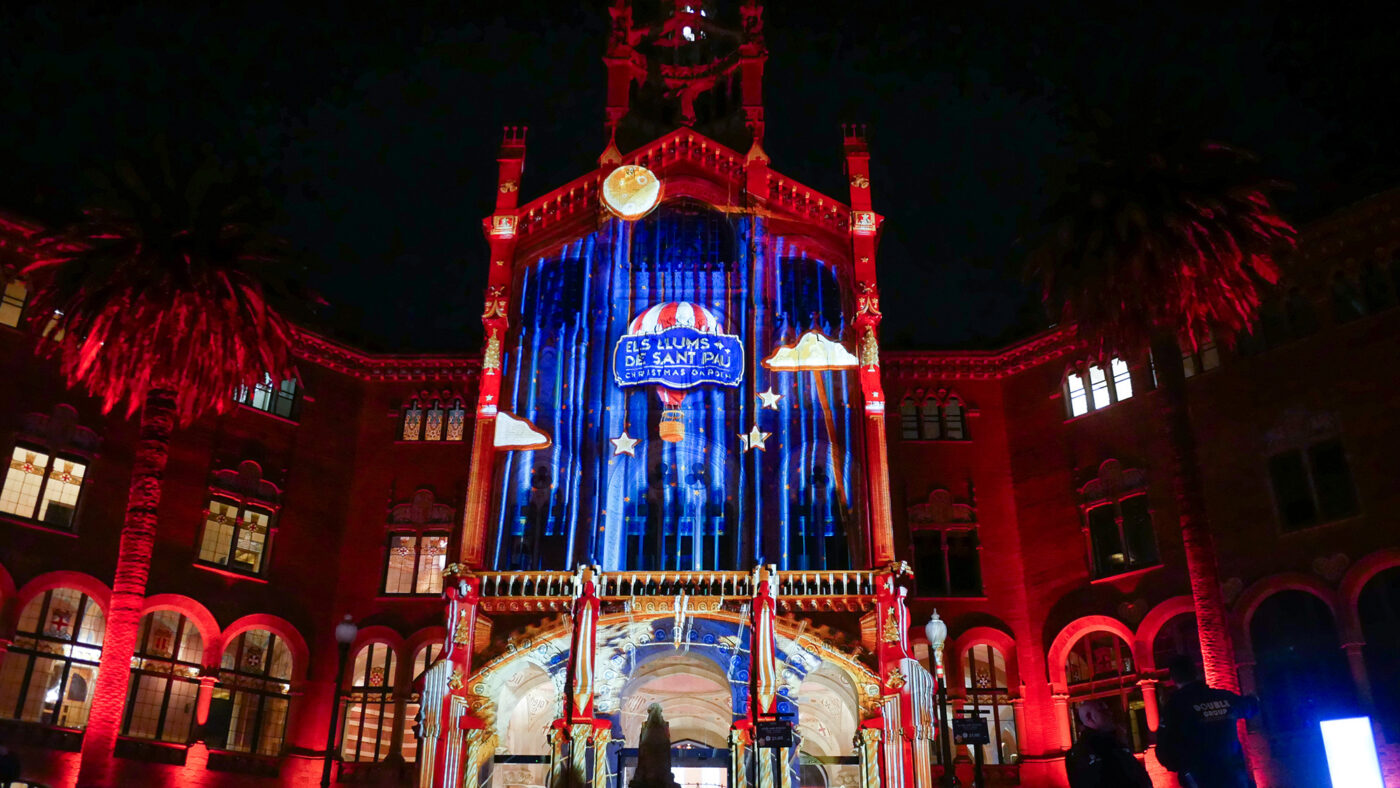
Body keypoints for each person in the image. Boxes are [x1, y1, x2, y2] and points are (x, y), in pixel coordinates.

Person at [1155, 656, 1259, 788]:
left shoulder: (1175, 707)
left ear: (1173, 678)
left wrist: (1185, 766)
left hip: (1201, 779)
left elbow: (1164, 752)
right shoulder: (1223, 697)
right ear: (1196, 672)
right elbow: (1251, 707)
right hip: (1234, 777)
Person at [1065, 699, 1153, 788]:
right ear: (1089, 717)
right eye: (1103, 710)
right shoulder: (1089, 751)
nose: (1110, 713)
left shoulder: (1113, 743)